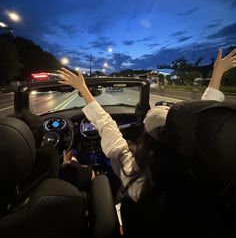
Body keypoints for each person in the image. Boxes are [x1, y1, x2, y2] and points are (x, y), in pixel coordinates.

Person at [57, 48, 236, 203]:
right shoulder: (202, 168)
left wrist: (83, 88)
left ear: (146, 138)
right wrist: (217, 74)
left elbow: (106, 124)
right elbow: (201, 125)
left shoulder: (133, 173)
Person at [10, 110, 95, 191]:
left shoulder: (8, 175)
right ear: (41, 139)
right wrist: (71, 163)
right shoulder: (60, 173)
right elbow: (91, 174)